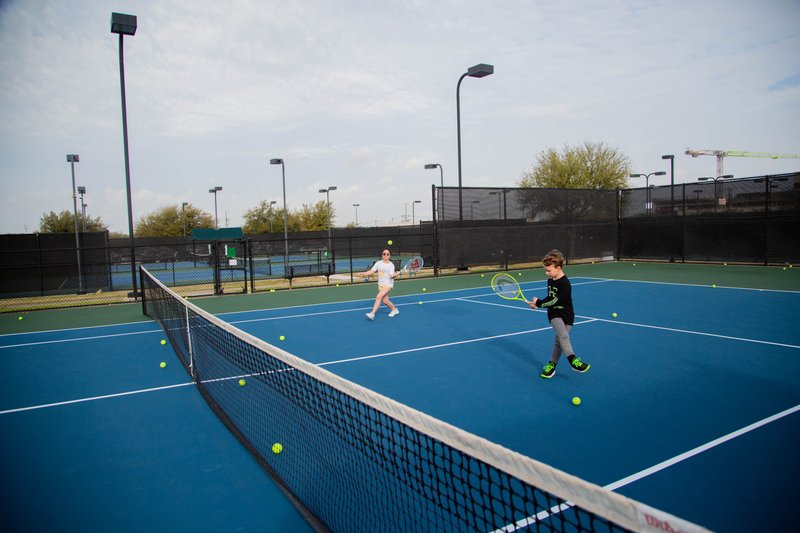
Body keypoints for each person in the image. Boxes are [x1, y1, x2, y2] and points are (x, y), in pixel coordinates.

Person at [528, 249, 590, 378]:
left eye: (549, 270)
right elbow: (551, 298)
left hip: (567, 314)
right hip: (554, 313)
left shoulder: (565, 283)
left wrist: (539, 303)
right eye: (545, 270)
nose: (546, 273)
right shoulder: (551, 279)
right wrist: (538, 304)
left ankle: (551, 365)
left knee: (560, 340)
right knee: (563, 336)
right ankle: (573, 361)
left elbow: (556, 299)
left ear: (558, 268)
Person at [358, 248, 399, 320]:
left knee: (378, 297)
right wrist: (364, 273)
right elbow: (371, 271)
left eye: (387, 254)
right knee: (385, 301)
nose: (386, 255)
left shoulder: (391, 265)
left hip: (388, 284)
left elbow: (391, 276)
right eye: (384, 254)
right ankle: (394, 310)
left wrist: (394, 275)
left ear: (389, 256)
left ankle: (372, 314)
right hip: (381, 284)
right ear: (382, 255)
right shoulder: (378, 263)